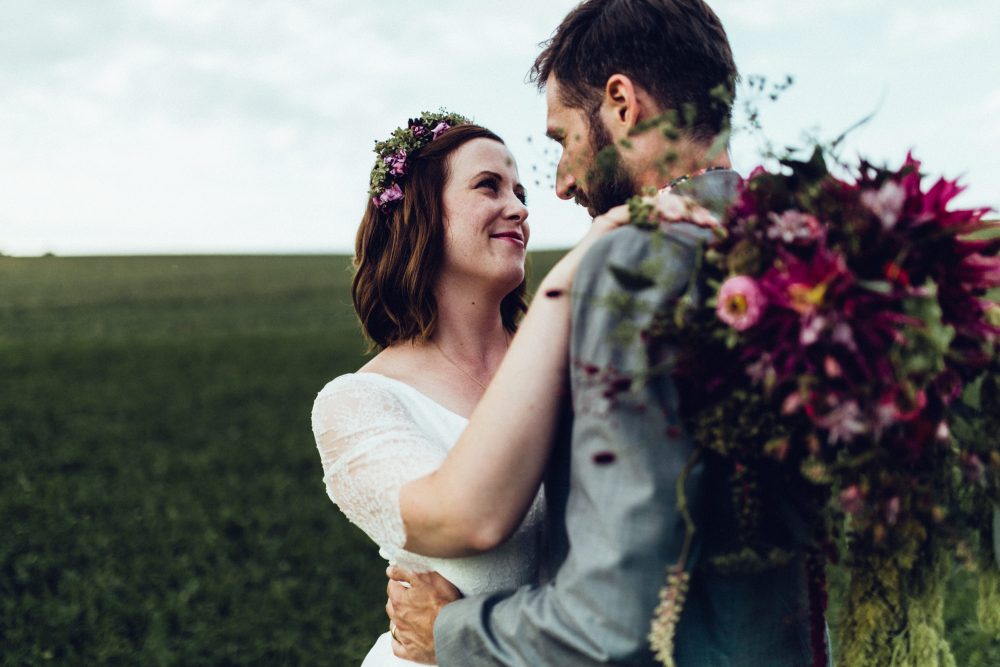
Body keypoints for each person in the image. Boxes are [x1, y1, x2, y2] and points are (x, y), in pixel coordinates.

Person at [386, 2, 826, 666]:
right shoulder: (809, 254)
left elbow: (610, 625)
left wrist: (450, 629)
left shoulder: (634, 264)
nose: (560, 184)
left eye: (563, 138)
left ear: (621, 103)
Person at [311, 112, 626, 666]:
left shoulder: (575, 358)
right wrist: (571, 279)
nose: (521, 208)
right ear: (421, 214)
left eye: (521, 192)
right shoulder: (359, 404)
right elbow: (465, 522)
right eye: (489, 186)